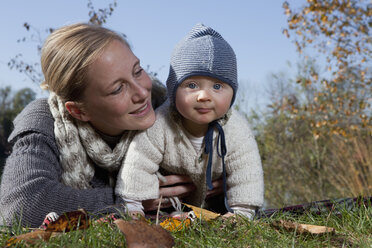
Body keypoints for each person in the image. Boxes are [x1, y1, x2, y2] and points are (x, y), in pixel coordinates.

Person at [0, 23, 222, 228]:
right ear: (79, 110)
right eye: (118, 89)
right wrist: (129, 200)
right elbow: (21, 205)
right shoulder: (44, 119)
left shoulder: (173, 109)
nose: (143, 92)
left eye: (137, 71)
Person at [115, 24, 264, 220]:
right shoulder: (160, 124)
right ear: (173, 90)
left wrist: (242, 212)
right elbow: (138, 163)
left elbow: (247, 172)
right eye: (191, 85)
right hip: (168, 205)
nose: (204, 96)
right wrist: (133, 205)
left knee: (237, 188)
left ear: (233, 92)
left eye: (217, 86)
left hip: (216, 206)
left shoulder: (236, 129)